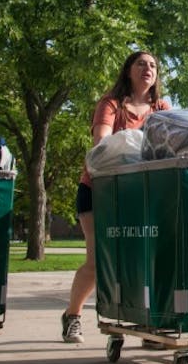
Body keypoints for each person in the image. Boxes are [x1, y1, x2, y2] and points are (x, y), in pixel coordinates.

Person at [61, 50, 172, 343]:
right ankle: (72, 315)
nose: (148, 68)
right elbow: (102, 145)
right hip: (100, 190)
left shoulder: (162, 108)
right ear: (128, 71)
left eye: (153, 65)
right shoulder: (111, 104)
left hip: (140, 193)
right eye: (141, 64)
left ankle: (148, 325)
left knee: (146, 260)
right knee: (98, 260)